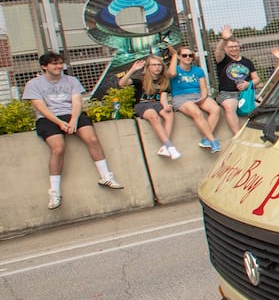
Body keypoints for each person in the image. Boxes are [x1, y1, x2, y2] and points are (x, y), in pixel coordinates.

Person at [24, 51, 124, 209]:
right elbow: (41, 108)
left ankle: (106, 176)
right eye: (54, 64)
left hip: (72, 115)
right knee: (58, 148)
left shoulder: (71, 80)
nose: (59, 66)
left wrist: (73, 120)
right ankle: (54, 192)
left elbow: (77, 103)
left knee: (91, 139)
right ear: (44, 66)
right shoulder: (34, 84)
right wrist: (59, 123)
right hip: (48, 119)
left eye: (60, 63)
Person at [116, 53, 180, 158]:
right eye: (154, 65)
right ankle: (170, 147)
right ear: (148, 67)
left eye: (159, 65)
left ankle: (165, 147)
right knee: (153, 115)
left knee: (168, 113)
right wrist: (132, 70)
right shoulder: (141, 78)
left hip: (157, 103)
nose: (157, 67)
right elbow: (122, 83)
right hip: (142, 105)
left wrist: (166, 106)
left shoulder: (164, 80)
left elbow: (163, 98)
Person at [168, 44, 222, 152]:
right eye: (184, 55)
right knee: (196, 112)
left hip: (197, 95)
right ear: (179, 57)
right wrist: (174, 55)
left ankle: (206, 139)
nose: (187, 57)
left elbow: (203, 87)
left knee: (215, 109)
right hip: (181, 97)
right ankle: (213, 141)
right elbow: (172, 73)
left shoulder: (198, 70)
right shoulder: (175, 69)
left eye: (190, 55)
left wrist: (203, 97)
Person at [213, 25, 261, 137]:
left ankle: (259, 131)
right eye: (230, 47)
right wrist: (224, 39)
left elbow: (257, 79)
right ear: (225, 48)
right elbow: (218, 51)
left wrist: (248, 84)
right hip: (227, 93)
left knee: (263, 105)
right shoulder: (223, 60)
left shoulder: (247, 62)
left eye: (236, 46)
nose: (234, 49)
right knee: (230, 106)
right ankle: (238, 135)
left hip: (246, 92)